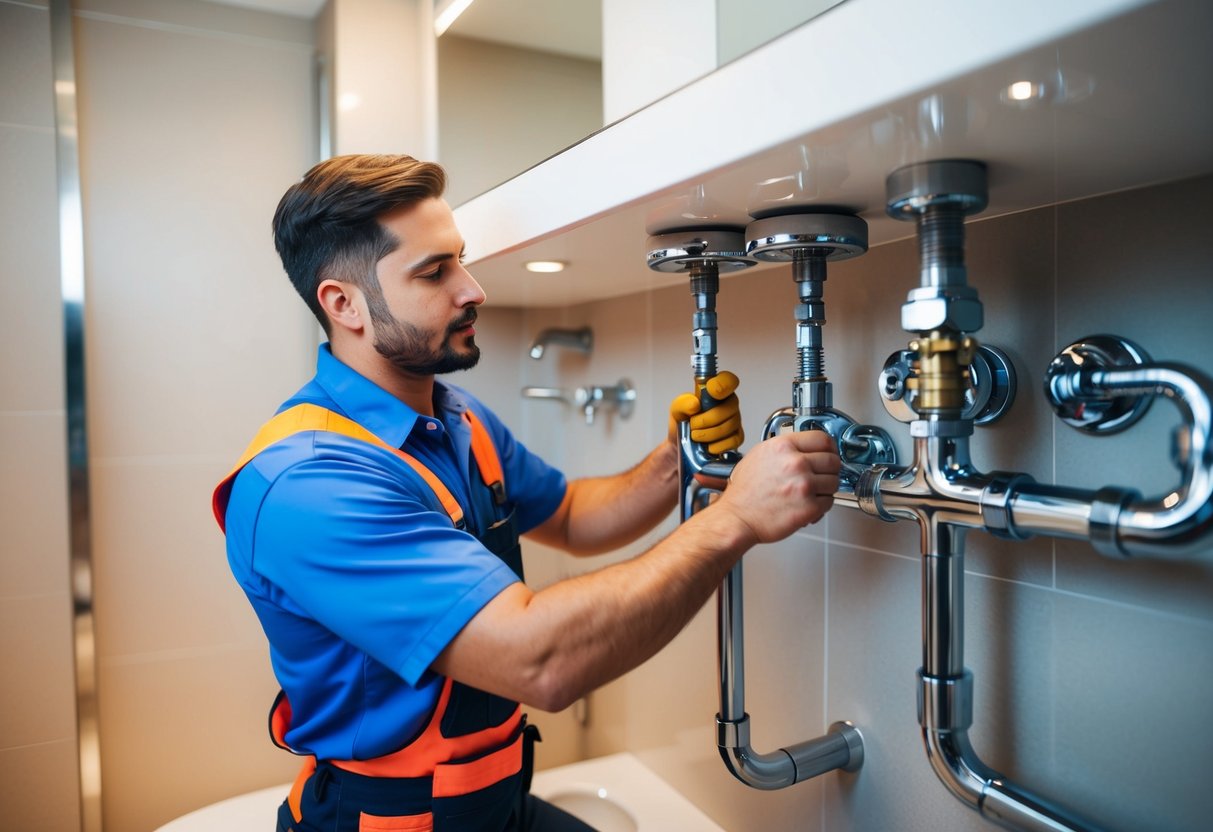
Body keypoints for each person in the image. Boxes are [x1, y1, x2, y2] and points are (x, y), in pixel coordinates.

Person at [213, 154, 841, 832]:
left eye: (460, 260)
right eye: (434, 272)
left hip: (497, 800)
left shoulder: (457, 419)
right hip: (388, 821)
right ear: (344, 304)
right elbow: (539, 660)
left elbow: (571, 515)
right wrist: (735, 519)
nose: (473, 288)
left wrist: (672, 462)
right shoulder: (310, 483)